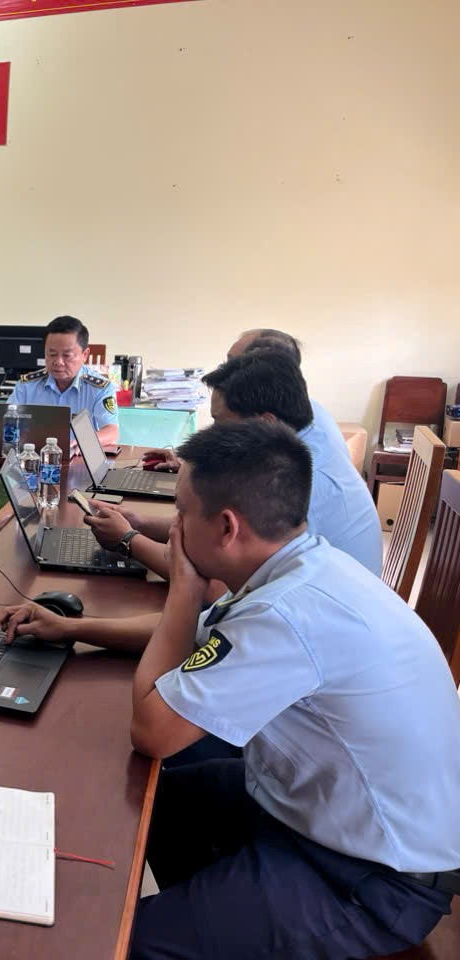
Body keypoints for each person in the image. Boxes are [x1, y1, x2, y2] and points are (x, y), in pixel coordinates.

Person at [126, 419, 460, 959]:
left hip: (369, 880)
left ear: (227, 527)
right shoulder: (305, 566)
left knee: (128, 940)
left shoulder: (284, 613)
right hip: (315, 813)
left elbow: (152, 730)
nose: (174, 528)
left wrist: (183, 589)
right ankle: (215, 916)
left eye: (182, 512)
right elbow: (197, 644)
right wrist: (71, 627)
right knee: (145, 809)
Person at [84, 350, 383, 582]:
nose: (213, 434)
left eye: (221, 423)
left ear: (265, 423)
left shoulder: (296, 480)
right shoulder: (297, 440)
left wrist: (128, 540)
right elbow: (212, 532)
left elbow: (213, 586)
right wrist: (140, 523)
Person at [143, 326, 344, 473]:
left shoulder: (296, 473)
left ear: (259, 367)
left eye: (233, 363)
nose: (223, 368)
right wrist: (190, 470)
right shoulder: (298, 416)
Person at [9, 315, 118, 446]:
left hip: (79, 456)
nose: (58, 362)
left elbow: (111, 431)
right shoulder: (27, 385)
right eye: (52, 354)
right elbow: (5, 420)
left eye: (67, 355)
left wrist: (84, 443)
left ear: (85, 355)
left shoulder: (100, 388)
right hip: (34, 455)